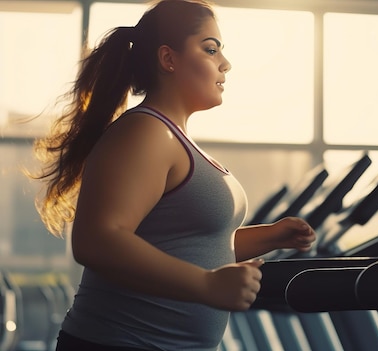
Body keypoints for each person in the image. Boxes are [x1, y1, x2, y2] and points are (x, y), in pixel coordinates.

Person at [31, 1, 316, 350]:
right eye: (211, 49)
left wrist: (270, 236)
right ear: (168, 59)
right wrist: (206, 285)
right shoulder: (146, 132)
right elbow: (97, 241)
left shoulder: (174, 139)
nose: (225, 64)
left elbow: (193, 245)